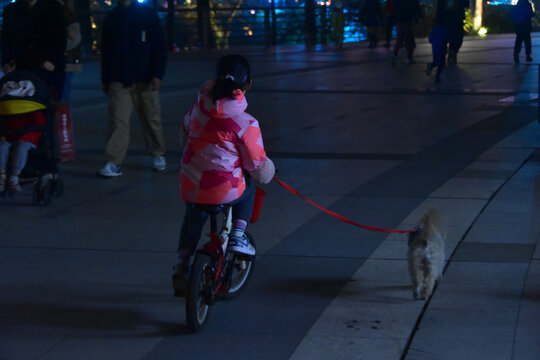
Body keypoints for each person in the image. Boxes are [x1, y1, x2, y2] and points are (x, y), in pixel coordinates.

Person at [172, 55, 275, 295]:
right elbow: (256, 164)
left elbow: (184, 134)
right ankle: (238, 234)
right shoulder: (245, 122)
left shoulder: (197, 108)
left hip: (192, 183)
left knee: (193, 216)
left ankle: (182, 262)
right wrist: (267, 172)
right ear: (248, 84)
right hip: (224, 189)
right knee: (249, 187)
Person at [98, 0, 167, 177]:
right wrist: (106, 78)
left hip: (145, 78)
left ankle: (157, 153)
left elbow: (158, 44)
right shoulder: (112, 17)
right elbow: (106, 50)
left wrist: (157, 73)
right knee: (118, 121)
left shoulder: (146, 13)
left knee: (151, 118)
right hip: (119, 79)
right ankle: (113, 160)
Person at [1, 0, 67, 100]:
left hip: (47, 65)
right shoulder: (11, 10)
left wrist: (52, 61)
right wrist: (7, 61)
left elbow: (60, 38)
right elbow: (7, 38)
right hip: (21, 65)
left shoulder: (54, 8)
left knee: (49, 102)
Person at [60, 0, 82, 107]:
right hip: (65, 60)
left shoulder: (65, 11)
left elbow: (74, 38)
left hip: (64, 60)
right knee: (63, 96)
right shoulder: (67, 10)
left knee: (62, 97)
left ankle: (64, 122)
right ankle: (64, 122)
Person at [392, 0, 422, 64]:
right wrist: (417, 18)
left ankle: (394, 54)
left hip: (398, 20)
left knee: (399, 39)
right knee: (408, 40)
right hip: (407, 20)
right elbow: (414, 7)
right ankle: (409, 58)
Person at [445, 0, 468, 64]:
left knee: (456, 38)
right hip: (451, 18)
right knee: (455, 37)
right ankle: (452, 52)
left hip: (456, 18)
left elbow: (466, 4)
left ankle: (452, 51)